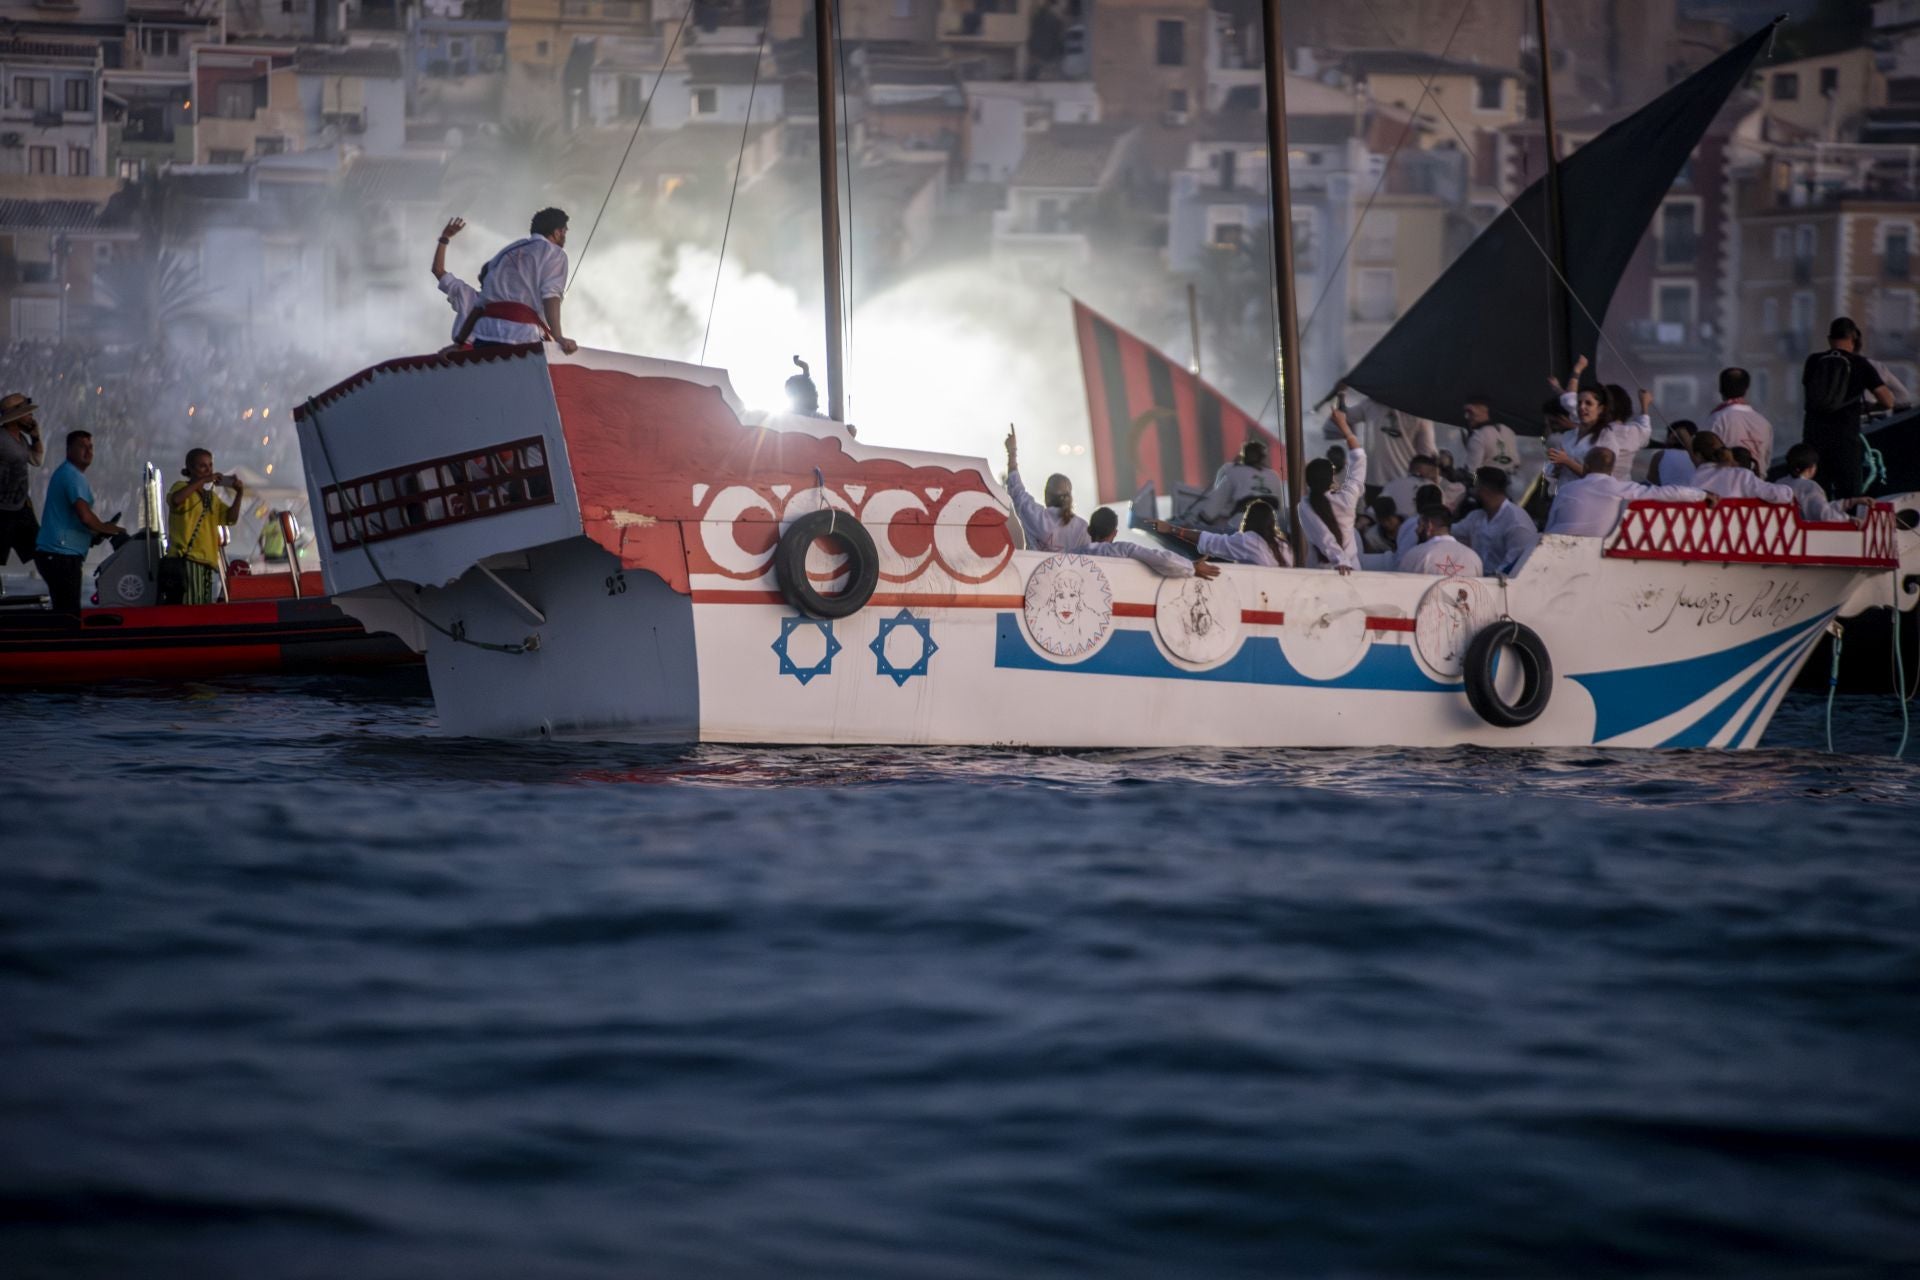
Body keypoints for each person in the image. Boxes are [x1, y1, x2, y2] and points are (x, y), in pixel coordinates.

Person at [454, 208, 580, 354]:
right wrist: (558, 337)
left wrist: (460, 342)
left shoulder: (507, 251)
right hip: (521, 334)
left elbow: (481, 303)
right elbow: (551, 295)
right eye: (565, 231)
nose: (564, 236)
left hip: (485, 334)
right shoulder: (555, 253)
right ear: (557, 232)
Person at [33, 429, 125, 613]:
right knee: (68, 612)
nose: (88, 451)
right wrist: (109, 529)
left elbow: (76, 519)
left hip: (58, 553)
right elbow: (85, 516)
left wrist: (95, 533)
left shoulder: (70, 474)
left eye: (90, 447)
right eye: (82, 446)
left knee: (65, 609)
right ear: (69, 450)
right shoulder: (71, 475)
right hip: (59, 554)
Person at [1803, 317, 1894, 498]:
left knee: (1817, 495)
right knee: (1850, 497)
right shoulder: (1860, 364)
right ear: (1854, 339)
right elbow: (1888, 401)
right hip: (1846, 439)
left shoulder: (1813, 361)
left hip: (1814, 438)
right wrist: (1867, 407)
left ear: (1829, 339)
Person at [1545, 447, 1711, 537]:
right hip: (1596, 548)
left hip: (1556, 542)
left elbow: (1550, 524)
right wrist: (1702, 494)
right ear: (1612, 469)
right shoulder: (1622, 488)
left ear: (1586, 467)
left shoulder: (1566, 489)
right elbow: (1667, 493)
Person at [167, 448, 244, 605]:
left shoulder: (212, 497)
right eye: (203, 466)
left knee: (204, 609)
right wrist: (203, 481)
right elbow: (176, 500)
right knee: (191, 610)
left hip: (208, 563)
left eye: (210, 466)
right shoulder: (180, 487)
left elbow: (231, 519)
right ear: (190, 469)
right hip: (188, 561)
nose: (208, 470)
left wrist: (239, 494)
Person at [1299, 402, 1366, 571]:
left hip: (1322, 571)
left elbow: (1324, 537)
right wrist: (1344, 427)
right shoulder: (1347, 497)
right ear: (1332, 479)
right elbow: (1359, 459)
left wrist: (1340, 561)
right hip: (1352, 570)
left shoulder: (1305, 505)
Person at [1003, 425, 1088, 552]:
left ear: (1046, 496)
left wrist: (1012, 452)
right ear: (1070, 497)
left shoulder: (1034, 515)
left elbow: (1016, 489)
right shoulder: (1082, 528)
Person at [1547, 382, 1654, 483]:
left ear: (1601, 409)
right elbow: (1554, 472)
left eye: (1588, 403)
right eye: (1579, 403)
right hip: (1565, 495)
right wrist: (1557, 467)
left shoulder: (1607, 437)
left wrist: (1567, 461)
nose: (1582, 407)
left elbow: (1599, 478)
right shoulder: (1569, 435)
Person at [1086, 506, 1220, 578]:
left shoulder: (1073, 555)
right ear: (1115, 533)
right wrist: (1192, 567)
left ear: (1089, 530)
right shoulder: (1123, 550)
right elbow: (1165, 561)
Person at [1153, 499, 1291, 567]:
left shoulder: (1249, 541)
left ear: (1248, 520)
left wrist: (1172, 529)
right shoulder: (1285, 546)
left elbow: (1210, 541)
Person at [1453, 466, 1538, 576]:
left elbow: (1514, 566)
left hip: (1506, 587)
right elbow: (1450, 532)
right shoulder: (1477, 516)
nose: (1473, 492)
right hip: (1480, 583)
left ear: (1485, 491)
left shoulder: (1517, 522)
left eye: (1475, 488)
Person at [1185, 438, 1284, 529]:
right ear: (1263, 457)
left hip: (1242, 525)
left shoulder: (1233, 472)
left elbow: (1215, 504)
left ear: (1244, 455)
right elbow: (1279, 507)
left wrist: (1196, 522)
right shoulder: (1274, 476)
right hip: (1270, 527)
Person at [1, 391, 46, 587]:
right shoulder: (1, 439)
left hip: (20, 507)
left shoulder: (21, 439)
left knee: (39, 550)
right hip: (2, 510)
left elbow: (37, 460)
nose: (31, 417)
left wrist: (36, 437)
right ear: (16, 417)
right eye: (27, 414)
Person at [1687, 432, 1797, 503]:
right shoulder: (1740, 475)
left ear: (1698, 455)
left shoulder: (1692, 479)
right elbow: (1775, 494)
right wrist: (1789, 492)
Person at [1780, 442, 1873, 524]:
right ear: (1812, 468)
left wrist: (1852, 502)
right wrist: (1848, 519)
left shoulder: (1779, 483)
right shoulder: (1809, 486)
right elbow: (1824, 514)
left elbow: (1822, 508)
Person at [1704, 368, 1772, 467]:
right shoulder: (1764, 423)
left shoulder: (1716, 420)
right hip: (1757, 481)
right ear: (1746, 388)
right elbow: (1766, 461)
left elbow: (1706, 459)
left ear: (1720, 389)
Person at [430, 216, 479, 346]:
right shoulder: (468, 295)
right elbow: (438, 270)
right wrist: (444, 238)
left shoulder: (511, 305)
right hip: (464, 357)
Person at [1397, 505, 1484, 577]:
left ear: (1429, 525)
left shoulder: (1415, 555)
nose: (1416, 530)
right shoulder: (1473, 557)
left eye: (1419, 524)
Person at [1460, 395, 1520, 477]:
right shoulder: (1508, 430)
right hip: (1511, 484)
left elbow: (1470, 473)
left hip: (1488, 485)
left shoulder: (1478, 436)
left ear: (1483, 410)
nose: (1466, 416)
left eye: (1470, 411)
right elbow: (1516, 464)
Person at [1380, 455, 1442, 525]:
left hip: (1391, 529)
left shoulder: (1391, 485)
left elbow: (1374, 510)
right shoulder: (1433, 488)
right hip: (1424, 528)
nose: (1437, 481)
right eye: (1434, 478)